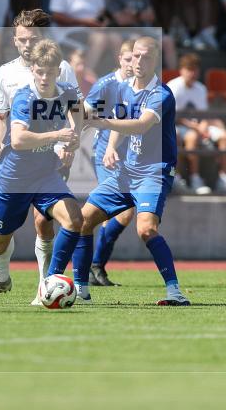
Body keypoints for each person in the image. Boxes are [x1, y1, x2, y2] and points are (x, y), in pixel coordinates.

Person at [0, 39, 84, 304]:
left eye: (49, 72)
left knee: (74, 219)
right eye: (39, 71)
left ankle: (49, 283)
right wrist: (57, 135)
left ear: (57, 71)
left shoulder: (65, 92)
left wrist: (74, 137)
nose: (43, 77)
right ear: (33, 71)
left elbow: (78, 111)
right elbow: (17, 139)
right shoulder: (25, 97)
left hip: (44, 174)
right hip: (14, 178)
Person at [76, 36, 189, 306]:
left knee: (146, 229)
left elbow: (140, 125)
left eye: (146, 57)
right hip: (125, 172)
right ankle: (80, 288)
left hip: (153, 171)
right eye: (136, 55)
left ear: (156, 61)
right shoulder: (124, 88)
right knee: (82, 221)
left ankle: (174, 292)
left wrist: (102, 123)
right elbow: (123, 120)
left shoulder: (161, 94)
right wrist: (111, 147)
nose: (139, 61)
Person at [82, 39, 135, 287]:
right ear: (120, 59)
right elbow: (84, 111)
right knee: (119, 212)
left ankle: (95, 266)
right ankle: (92, 267)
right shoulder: (106, 84)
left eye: (137, 59)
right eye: (128, 59)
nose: (132, 64)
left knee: (123, 214)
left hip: (132, 157)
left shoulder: (142, 86)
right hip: (108, 155)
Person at [168, 54, 226, 196]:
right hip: (177, 127)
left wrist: (203, 125)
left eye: (195, 70)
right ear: (181, 70)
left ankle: (224, 179)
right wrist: (197, 128)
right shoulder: (172, 87)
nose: (192, 73)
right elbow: (173, 116)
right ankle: (195, 178)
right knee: (192, 137)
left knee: (225, 137)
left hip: (199, 126)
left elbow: (203, 114)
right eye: (189, 69)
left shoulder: (201, 88)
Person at [49, 0, 117, 71]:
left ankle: (124, 75)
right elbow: (56, 17)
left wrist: (103, 22)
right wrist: (84, 22)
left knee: (116, 37)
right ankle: (86, 76)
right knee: (100, 39)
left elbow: (102, 13)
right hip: (68, 32)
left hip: (92, 30)